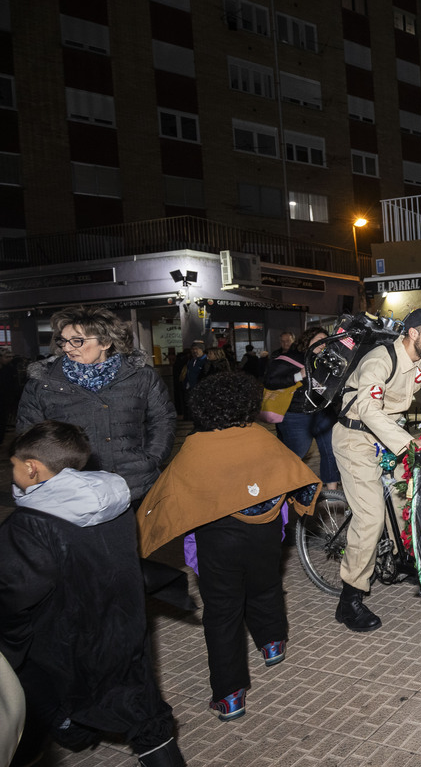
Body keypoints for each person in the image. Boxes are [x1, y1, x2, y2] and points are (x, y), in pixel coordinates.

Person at [1, 421, 185, 767]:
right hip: (124, 624)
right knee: (143, 713)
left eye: (12, 464)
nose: (11, 472)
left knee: (38, 688)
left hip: (66, 638)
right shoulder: (115, 502)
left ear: (31, 467)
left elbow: (14, 598)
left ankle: (69, 729)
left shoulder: (29, 525)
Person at [138, 371, 319, 721]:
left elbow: (168, 498)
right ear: (248, 405)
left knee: (222, 613)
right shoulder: (262, 438)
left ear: (203, 408)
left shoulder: (195, 448)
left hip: (219, 541)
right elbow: (298, 477)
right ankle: (272, 643)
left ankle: (230, 695)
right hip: (265, 536)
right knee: (266, 587)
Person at [332, 307, 421, 632]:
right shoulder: (380, 359)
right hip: (355, 437)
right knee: (370, 518)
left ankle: (402, 559)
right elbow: (368, 408)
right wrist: (409, 444)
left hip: (387, 437)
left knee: (408, 500)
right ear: (413, 334)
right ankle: (349, 598)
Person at [17, 305, 176, 506]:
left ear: (106, 342)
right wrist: (55, 475)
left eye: (77, 341)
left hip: (134, 487)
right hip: (72, 492)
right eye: (63, 341)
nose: (67, 348)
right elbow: (29, 437)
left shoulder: (141, 377)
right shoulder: (43, 384)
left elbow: (163, 420)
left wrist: (150, 459)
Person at [264, 326, 342, 493]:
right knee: (297, 452)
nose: (322, 345)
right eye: (318, 341)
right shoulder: (289, 358)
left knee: (330, 452)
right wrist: (299, 375)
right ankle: (280, 488)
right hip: (297, 414)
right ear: (307, 340)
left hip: (324, 412)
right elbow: (270, 381)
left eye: (325, 343)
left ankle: (332, 492)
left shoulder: (326, 361)